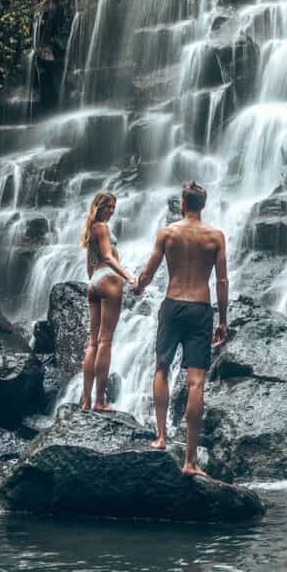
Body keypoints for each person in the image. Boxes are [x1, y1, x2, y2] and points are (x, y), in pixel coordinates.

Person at [134, 181, 228, 476]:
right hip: (200, 308)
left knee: (162, 367)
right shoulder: (215, 237)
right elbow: (222, 281)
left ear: (183, 204)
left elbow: (149, 270)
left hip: (173, 304)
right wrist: (222, 319)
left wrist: (138, 285)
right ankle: (190, 460)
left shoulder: (168, 233)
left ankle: (160, 437)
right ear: (203, 205)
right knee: (196, 383)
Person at [80, 191, 137, 412]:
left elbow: (89, 263)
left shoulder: (91, 228)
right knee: (105, 342)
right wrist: (129, 277)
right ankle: (100, 400)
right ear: (99, 207)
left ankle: (86, 401)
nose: (112, 211)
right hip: (108, 280)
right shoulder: (102, 227)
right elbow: (107, 256)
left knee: (92, 343)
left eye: (114, 207)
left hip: (94, 282)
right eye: (108, 206)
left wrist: (93, 280)